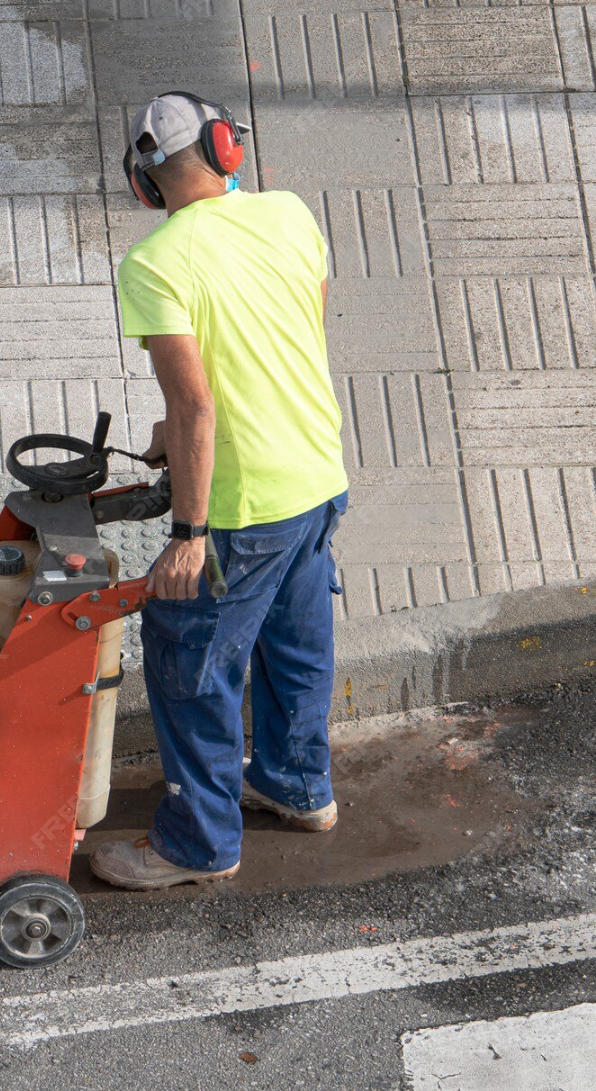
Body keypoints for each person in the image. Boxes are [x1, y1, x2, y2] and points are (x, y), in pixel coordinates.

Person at [90, 92, 351, 890]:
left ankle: (199, 842)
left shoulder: (155, 264)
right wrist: (177, 433)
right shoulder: (287, 214)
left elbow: (196, 402)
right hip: (318, 476)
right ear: (225, 148)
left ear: (145, 182)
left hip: (244, 509)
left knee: (185, 654)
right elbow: (297, 330)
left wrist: (188, 533)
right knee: (296, 642)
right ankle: (296, 785)